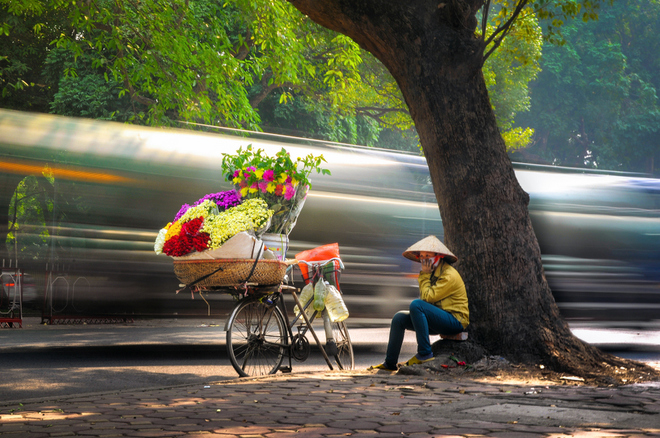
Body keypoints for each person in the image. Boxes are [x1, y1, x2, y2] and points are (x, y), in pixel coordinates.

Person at [369, 235, 469, 371]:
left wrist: (425, 274)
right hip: (439, 319)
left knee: (416, 305)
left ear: (438, 256)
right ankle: (390, 363)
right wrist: (426, 275)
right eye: (422, 256)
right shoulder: (432, 272)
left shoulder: (448, 275)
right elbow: (425, 298)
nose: (424, 260)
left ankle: (425, 353)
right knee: (399, 318)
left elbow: (426, 298)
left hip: (454, 321)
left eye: (428, 255)